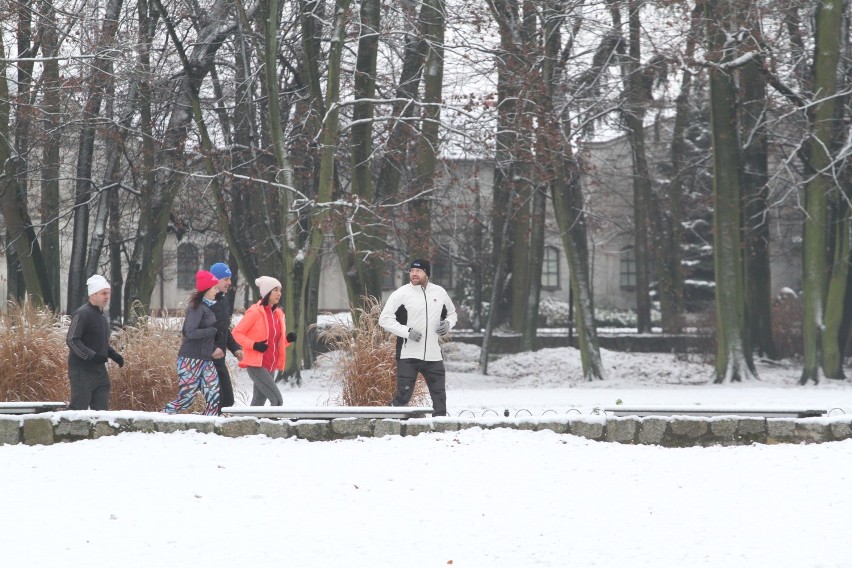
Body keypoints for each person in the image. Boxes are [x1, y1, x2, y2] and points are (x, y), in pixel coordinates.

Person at [379, 258, 457, 416]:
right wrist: (407, 332)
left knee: (440, 400)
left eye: (418, 271)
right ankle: (386, 422)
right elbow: (384, 319)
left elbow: (452, 313)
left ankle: (439, 432)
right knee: (403, 397)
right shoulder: (401, 294)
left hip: (434, 356)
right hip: (409, 356)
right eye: (412, 271)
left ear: (426, 273)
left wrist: (448, 323)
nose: (414, 274)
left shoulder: (439, 292)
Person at [163, 270, 224, 416]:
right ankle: (162, 418)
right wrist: (212, 330)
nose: (217, 290)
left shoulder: (208, 307)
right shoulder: (196, 308)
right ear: (206, 289)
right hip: (190, 359)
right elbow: (189, 332)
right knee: (186, 399)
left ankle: (210, 425)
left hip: (205, 359)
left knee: (214, 395)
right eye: (215, 287)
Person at [232, 276, 296, 407]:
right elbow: (236, 333)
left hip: (270, 365)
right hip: (256, 365)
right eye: (275, 290)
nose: (279, 293)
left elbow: (275, 343)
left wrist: (287, 340)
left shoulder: (278, 314)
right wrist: (254, 345)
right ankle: (274, 426)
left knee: (258, 403)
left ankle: (250, 426)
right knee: (277, 400)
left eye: (280, 290)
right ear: (267, 292)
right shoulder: (255, 312)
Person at [66, 274, 125, 410]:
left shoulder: (102, 316)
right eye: (103, 293)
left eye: (108, 293)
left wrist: (113, 355)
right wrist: (92, 356)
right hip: (81, 370)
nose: (107, 296)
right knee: (78, 411)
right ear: (93, 295)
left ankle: (102, 432)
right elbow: (72, 340)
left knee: (102, 414)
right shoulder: (82, 314)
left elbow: (100, 343)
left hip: (100, 372)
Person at [208, 262, 244, 413]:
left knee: (228, 400)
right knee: (217, 400)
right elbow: (191, 332)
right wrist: (211, 349)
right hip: (205, 361)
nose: (230, 282)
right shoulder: (205, 301)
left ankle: (216, 429)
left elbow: (225, 330)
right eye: (226, 279)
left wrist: (235, 349)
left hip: (219, 360)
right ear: (215, 280)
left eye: (230, 279)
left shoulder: (224, 300)